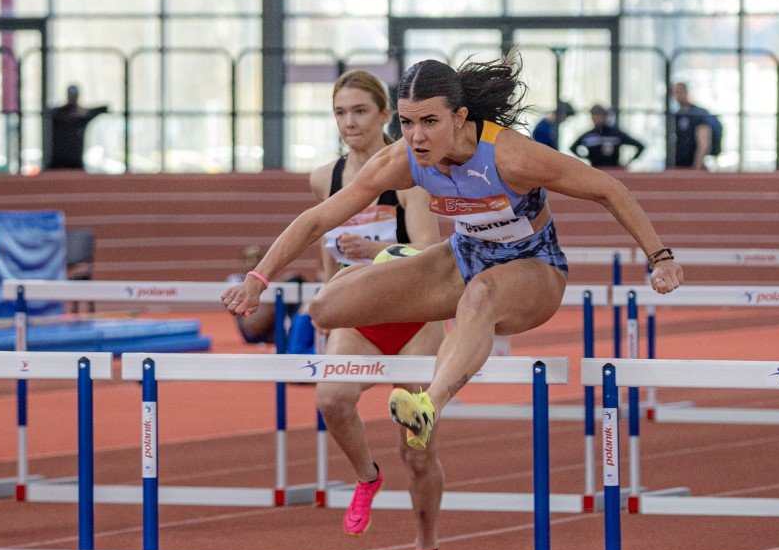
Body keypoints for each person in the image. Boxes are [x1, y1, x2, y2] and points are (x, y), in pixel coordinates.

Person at [223, 57, 683, 452]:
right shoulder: (401, 160)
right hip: (462, 257)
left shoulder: (511, 156)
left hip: (534, 267)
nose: (416, 137)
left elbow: (609, 189)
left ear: (459, 117)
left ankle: (429, 406)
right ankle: (395, 256)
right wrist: (258, 279)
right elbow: (318, 219)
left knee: (481, 295)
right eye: (406, 123)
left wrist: (659, 257)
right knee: (327, 307)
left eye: (429, 122)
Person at [309, 70, 445, 550]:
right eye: (340, 112)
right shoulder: (325, 178)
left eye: (360, 111)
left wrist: (375, 251)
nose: (349, 122)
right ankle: (366, 477)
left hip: (416, 319)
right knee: (331, 398)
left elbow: (429, 249)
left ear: (385, 115)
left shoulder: (411, 172)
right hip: (361, 320)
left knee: (417, 449)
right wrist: (328, 298)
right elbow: (326, 248)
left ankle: (426, 543)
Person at [45, 85, 109, 171]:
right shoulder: (58, 114)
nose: (72, 98)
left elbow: (103, 108)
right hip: (58, 160)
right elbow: (47, 112)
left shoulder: (82, 116)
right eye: (71, 95)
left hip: (75, 161)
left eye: (74, 96)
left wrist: (84, 112)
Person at [569, 104, 645, 169]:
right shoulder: (588, 135)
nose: (596, 118)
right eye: (594, 115)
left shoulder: (615, 134)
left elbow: (640, 146)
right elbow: (573, 148)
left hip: (614, 171)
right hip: (596, 171)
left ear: (606, 116)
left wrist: (627, 163)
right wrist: (586, 157)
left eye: (600, 115)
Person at [669, 82, 721, 169]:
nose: (678, 95)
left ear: (686, 92)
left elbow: (703, 144)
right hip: (679, 166)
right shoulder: (676, 116)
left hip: (693, 166)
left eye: (680, 92)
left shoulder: (697, 114)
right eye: (675, 93)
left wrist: (696, 168)